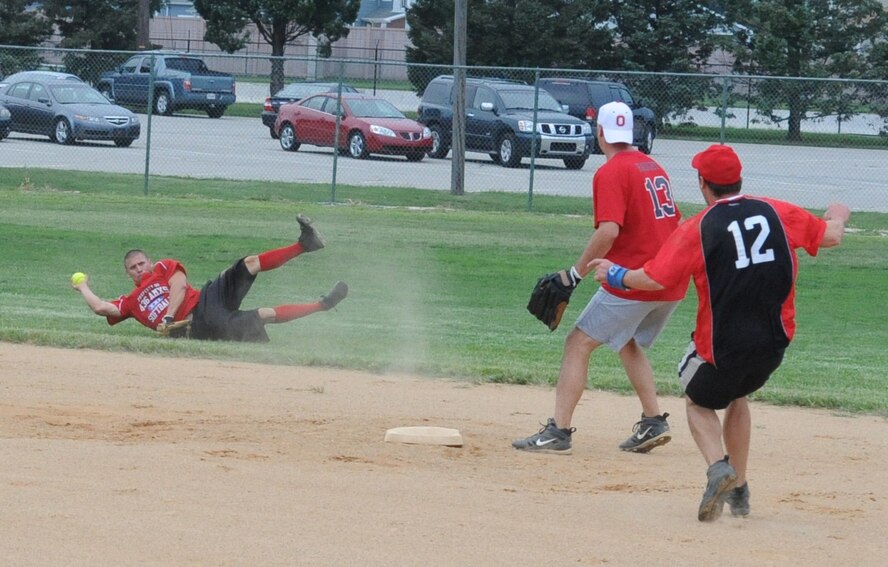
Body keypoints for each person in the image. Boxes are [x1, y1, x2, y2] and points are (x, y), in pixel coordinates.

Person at [588, 144, 850, 521]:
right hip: (775, 340)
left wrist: (614, 273)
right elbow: (831, 236)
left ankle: (718, 468)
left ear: (702, 184)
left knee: (697, 400)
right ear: (739, 180)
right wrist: (838, 214)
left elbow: (653, 278)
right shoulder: (776, 211)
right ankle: (739, 492)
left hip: (722, 344)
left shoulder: (699, 227)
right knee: (737, 393)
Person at [513, 101, 685, 455]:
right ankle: (653, 421)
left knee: (578, 344)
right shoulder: (651, 165)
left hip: (634, 279)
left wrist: (575, 274)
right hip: (669, 279)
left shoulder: (610, 172)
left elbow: (608, 230)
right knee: (625, 340)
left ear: (601, 132)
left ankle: (558, 432)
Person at [72, 214, 348, 342]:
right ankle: (323, 305)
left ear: (150, 262)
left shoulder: (163, 268)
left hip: (205, 300)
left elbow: (179, 285)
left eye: (141, 263)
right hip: (199, 326)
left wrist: (168, 316)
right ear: (127, 273)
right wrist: (83, 286)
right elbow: (101, 308)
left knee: (249, 263)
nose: (139, 269)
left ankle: (305, 244)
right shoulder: (130, 301)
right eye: (133, 268)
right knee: (264, 315)